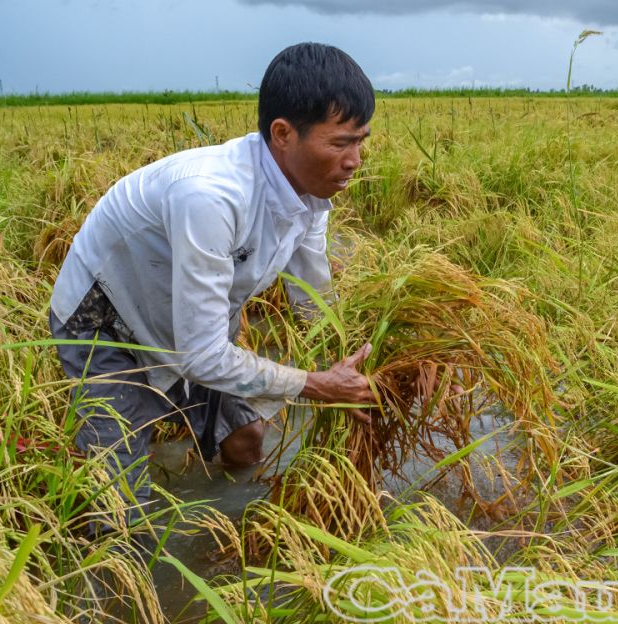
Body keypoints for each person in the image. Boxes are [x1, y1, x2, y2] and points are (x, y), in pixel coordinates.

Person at [49, 42, 376, 530]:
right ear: (283, 134)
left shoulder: (310, 195)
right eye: (340, 143)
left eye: (361, 141)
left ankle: (232, 534)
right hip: (106, 319)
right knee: (120, 508)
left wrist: (353, 362)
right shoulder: (210, 196)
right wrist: (315, 385)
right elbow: (201, 357)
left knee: (246, 439)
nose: (354, 160)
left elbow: (312, 300)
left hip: (197, 316)